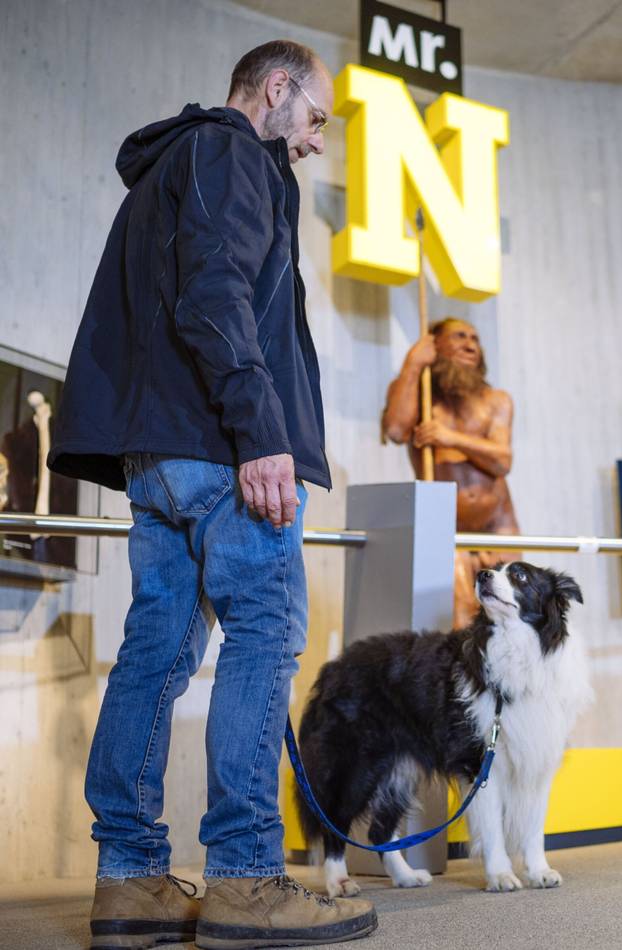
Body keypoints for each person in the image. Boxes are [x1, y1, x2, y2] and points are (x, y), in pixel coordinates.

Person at [48, 40, 377, 949]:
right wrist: (261, 432)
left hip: (157, 454)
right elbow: (217, 293)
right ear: (277, 89)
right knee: (266, 632)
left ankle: (132, 880)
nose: (312, 141)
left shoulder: (165, 169)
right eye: (314, 118)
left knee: (154, 650)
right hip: (225, 449)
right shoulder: (233, 152)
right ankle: (244, 876)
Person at [381, 318, 520, 626]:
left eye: (475, 338)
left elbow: (502, 461)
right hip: (444, 527)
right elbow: (395, 429)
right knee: (456, 619)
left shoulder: (496, 400)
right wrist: (413, 363)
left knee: (510, 617)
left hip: (497, 525)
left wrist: (449, 437)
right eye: (460, 336)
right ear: (435, 345)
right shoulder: (420, 395)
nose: (471, 344)